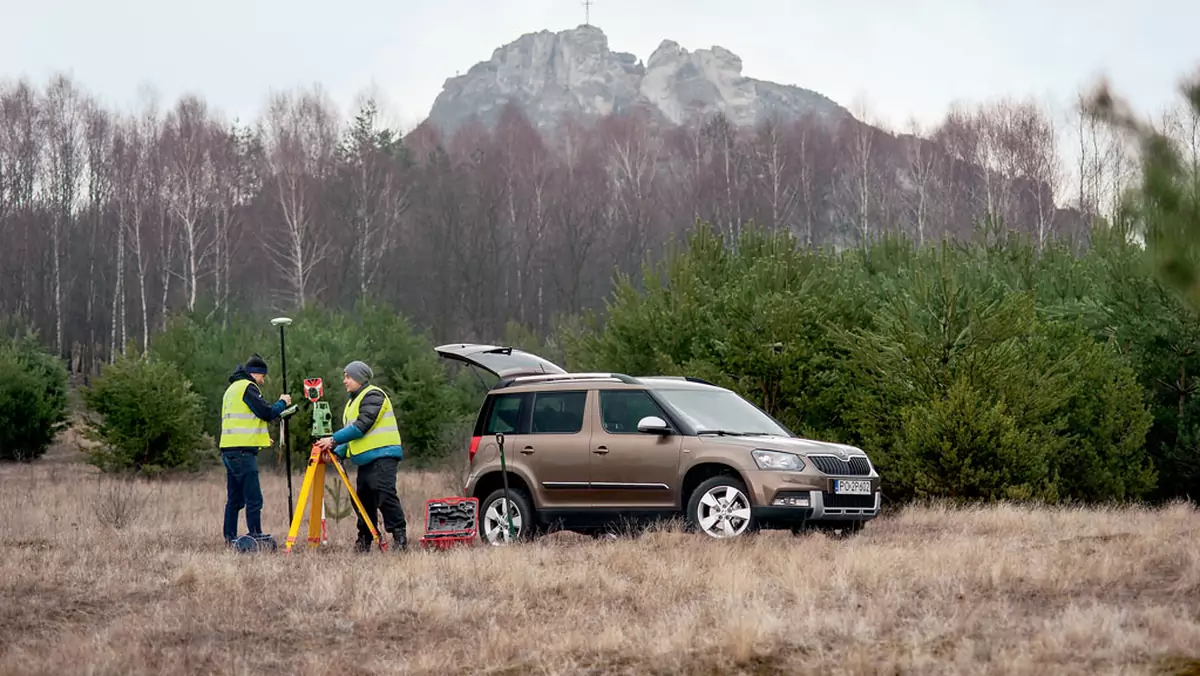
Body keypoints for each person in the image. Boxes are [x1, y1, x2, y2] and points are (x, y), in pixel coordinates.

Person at [315, 361, 407, 551]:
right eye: (345, 376)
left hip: (384, 455)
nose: (344, 381)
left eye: (348, 377)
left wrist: (332, 440)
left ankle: (399, 536)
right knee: (363, 500)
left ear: (359, 378)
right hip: (366, 459)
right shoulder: (353, 402)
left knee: (385, 495)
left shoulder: (374, 395)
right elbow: (353, 439)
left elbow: (361, 427)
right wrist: (337, 451)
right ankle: (365, 538)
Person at [219, 353, 291, 546]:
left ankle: (230, 538)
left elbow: (242, 421)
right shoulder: (248, 387)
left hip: (230, 450)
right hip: (242, 453)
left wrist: (262, 438)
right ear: (255, 373)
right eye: (262, 376)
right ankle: (255, 536)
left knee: (235, 498)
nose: (263, 380)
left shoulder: (232, 389)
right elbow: (266, 412)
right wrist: (282, 402)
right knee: (254, 498)